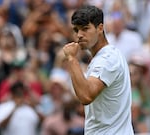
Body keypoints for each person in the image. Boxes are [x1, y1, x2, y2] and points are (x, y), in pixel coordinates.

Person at [62, 5, 134, 135]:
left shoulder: (107, 59)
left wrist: (72, 58)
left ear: (100, 28)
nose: (79, 35)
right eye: (76, 30)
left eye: (85, 29)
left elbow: (86, 95)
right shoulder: (104, 57)